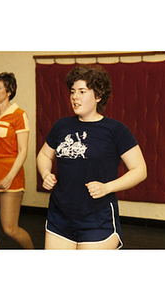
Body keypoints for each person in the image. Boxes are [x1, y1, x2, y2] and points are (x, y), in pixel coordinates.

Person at [37, 65, 147, 249]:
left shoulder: (116, 130)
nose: (75, 97)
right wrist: (45, 173)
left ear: (98, 96)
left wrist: (107, 187)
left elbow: (140, 170)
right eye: (73, 91)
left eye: (82, 91)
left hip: (97, 217)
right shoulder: (62, 125)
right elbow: (43, 155)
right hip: (60, 215)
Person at [0, 72, 34, 249]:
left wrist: (10, 177)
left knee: (10, 228)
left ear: (9, 91)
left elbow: (23, 150)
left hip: (11, 174)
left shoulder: (19, 115)